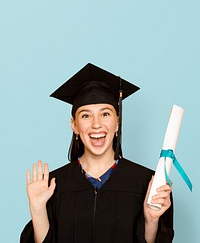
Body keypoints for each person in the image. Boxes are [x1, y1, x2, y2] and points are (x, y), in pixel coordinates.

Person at [20, 63, 174, 243]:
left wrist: (151, 220)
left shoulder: (148, 183)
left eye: (105, 114)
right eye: (86, 115)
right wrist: (38, 208)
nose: (96, 124)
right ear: (74, 125)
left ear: (117, 122)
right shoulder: (52, 186)